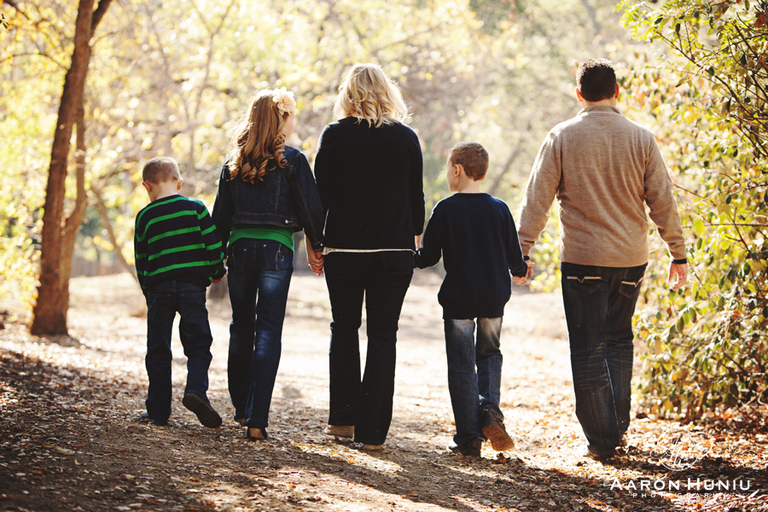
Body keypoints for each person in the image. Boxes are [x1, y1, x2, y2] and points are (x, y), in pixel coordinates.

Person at [516, 58, 688, 460]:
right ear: (616, 92)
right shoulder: (641, 137)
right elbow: (662, 199)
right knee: (619, 341)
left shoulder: (561, 136)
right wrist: (677, 252)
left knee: (588, 347)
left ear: (579, 95)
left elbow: (536, 201)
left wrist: (523, 249)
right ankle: (615, 428)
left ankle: (604, 438)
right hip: (631, 259)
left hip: (582, 259)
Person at [314, 63, 425, 451]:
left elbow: (320, 195)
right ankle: (373, 431)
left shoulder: (334, 135)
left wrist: (315, 242)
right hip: (394, 253)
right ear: (387, 93)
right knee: (383, 336)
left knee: (343, 328)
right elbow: (417, 199)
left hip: (343, 250)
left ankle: (342, 420)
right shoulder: (406, 138)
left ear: (347, 94)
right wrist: (413, 240)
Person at [212, 88, 325, 441]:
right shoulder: (293, 161)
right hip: (276, 252)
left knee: (240, 327)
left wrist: (215, 259)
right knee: (268, 331)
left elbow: (220, 218)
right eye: (291, 117)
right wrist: (316, 245)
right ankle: (257, 418)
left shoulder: (233, 163)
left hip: (240, 251)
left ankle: (241, 408)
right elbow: (312, 210)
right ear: (282, 120)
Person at [414, 142, 527, 458]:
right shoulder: (499, 208)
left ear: (456, 170)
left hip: (459, 299)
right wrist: (520, 270)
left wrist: (404, 257)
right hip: (493, 297)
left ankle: (468, 439)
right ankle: (490, 409)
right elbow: (513, 256)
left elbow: (428, 257)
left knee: (462, 366)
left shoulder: (446, 209)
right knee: (490, 354)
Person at [134, 156, 226, 429]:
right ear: (179, 182)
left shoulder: (145, 216)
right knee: (198, 345)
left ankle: (158, 412)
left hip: (159, 289)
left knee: (158, 350)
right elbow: (213, 245)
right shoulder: (196, 208)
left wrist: (148, 292)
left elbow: (142, 259)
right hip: (192, 288)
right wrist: (217, 272)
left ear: (146, 186)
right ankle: (195, 390)